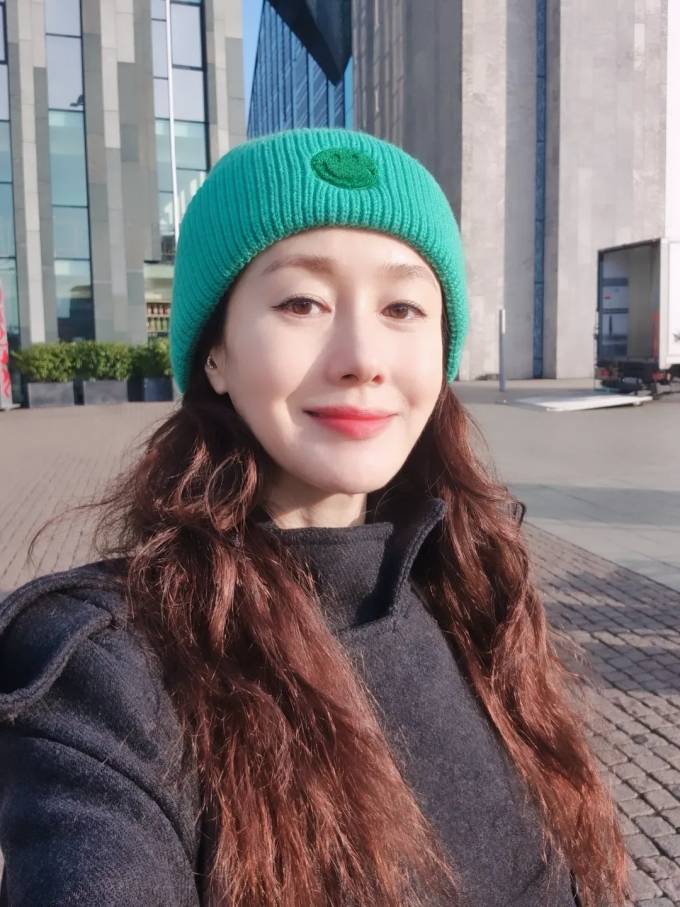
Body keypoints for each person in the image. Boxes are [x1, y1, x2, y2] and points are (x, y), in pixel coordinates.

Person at [0, 127, 629, 907]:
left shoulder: (475, 596)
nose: (362, 356)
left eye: (402, 306)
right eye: (302, 302)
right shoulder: (112, 670)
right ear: (216, 352)